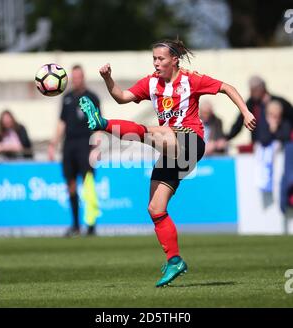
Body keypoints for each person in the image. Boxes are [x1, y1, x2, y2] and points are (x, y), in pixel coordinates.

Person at [79, 39, 256, 287]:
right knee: (155, 208)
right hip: (171, 147)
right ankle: (174, 260)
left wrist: (246, 111)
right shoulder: (151, 82)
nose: (156, 63)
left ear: (174, 60)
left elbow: (227, 87)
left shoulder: (191, 79)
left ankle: (103, 123)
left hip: (190, 141)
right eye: (154, 59)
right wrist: (108, 78)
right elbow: (121, 96)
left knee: (156, 132)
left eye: (161, 59)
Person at [48, 65, 100, 237]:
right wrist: (53, 144)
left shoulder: (92, 97)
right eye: (74, 77)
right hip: (69, 144)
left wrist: (97, 146)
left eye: (79, 76)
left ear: (83, 77)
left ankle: (91, 224)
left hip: (86, 143)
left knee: (88, 184)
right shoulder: (67, 97)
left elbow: (98, 123)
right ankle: (76, 225)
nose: (76, 79)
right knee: (70, 184)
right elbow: (62, 122)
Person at [226, 76, 293, 147]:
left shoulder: (280, 103)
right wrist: (227, 138)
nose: (251, 93)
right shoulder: (251, 103)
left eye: (254, 90)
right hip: (258, 145)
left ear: (262, 89)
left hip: (280, 144)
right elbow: (239, 123)